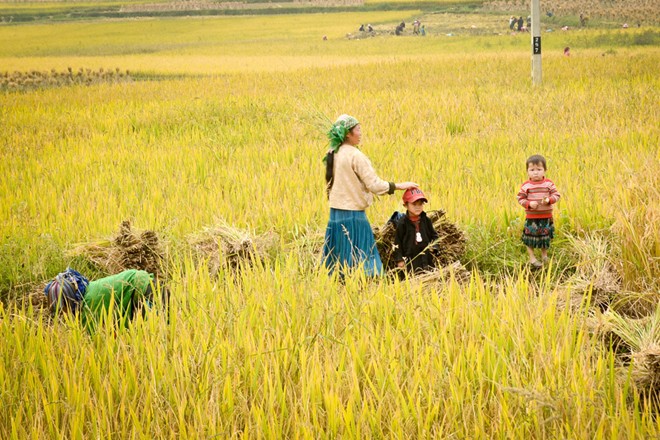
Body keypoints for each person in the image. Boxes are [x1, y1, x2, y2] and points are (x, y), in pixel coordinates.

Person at [322, 114, 417, 277]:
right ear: (347, 134)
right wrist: (400, 186)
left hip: (336, 214)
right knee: (364, 256)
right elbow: (374, 185)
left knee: (338, 258)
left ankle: (340, 286)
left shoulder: (332, 152)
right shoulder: (355, 155)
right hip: (353, 216)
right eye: (358, 130)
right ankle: (368, 285)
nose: (360, 133)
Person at [44, 268, 168, 330]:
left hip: (147, 292)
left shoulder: (88, 307)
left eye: (62, 308)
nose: (63, 314)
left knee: (156, 333)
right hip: (151, 285)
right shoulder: (89, 290)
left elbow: (97, 340)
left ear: (70, 300)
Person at [516, 155, 561, 269]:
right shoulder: (526, 186)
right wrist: (529, 204)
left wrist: (549, 200)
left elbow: (556, 195)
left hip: (546, 216)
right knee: (529, 237)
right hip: (532, 217)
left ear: (545, 170)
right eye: (532, 170)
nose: (535, 173)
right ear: (527, 171)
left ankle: (544, 256)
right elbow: (520, 198)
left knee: (545, 237)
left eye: (539, 169)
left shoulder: (548, 184)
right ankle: (532, 258)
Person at [393, 187, 439, 276]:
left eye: (420, 204)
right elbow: (397, 242)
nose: (418, 207)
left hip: (426, 257)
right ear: (405, 205)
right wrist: (399, 260)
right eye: (414, 204)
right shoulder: (402, 223)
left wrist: (434, 247)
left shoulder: (426, 220)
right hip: (410, 258)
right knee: (411, 278)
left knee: (428, 276)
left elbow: (434, 236)